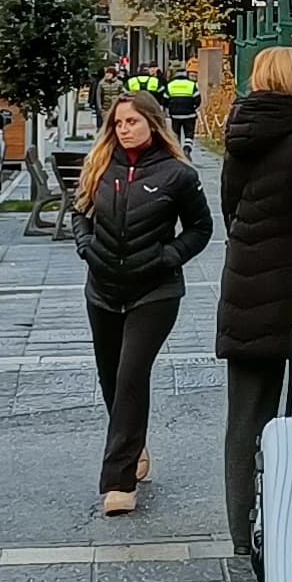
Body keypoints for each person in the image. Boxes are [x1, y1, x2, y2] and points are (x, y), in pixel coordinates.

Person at [212, 44, 292, 560]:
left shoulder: (238, 138)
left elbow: (231, 214)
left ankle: (243, 536)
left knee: (244, 421)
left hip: (245, 294)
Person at [77, 90, 212, 516]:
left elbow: (200, 228)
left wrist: (168, 256)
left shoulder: (177, 174)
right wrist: (86, 246)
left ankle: (119, 482)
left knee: (132, 374)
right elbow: (81, 211)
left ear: (152, 123)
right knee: (112, 380)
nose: (124, 130)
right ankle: (134, 446)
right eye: (118, 123)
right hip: (102, 289)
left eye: (132, 122)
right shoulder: (99, 166)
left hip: (155, 292)